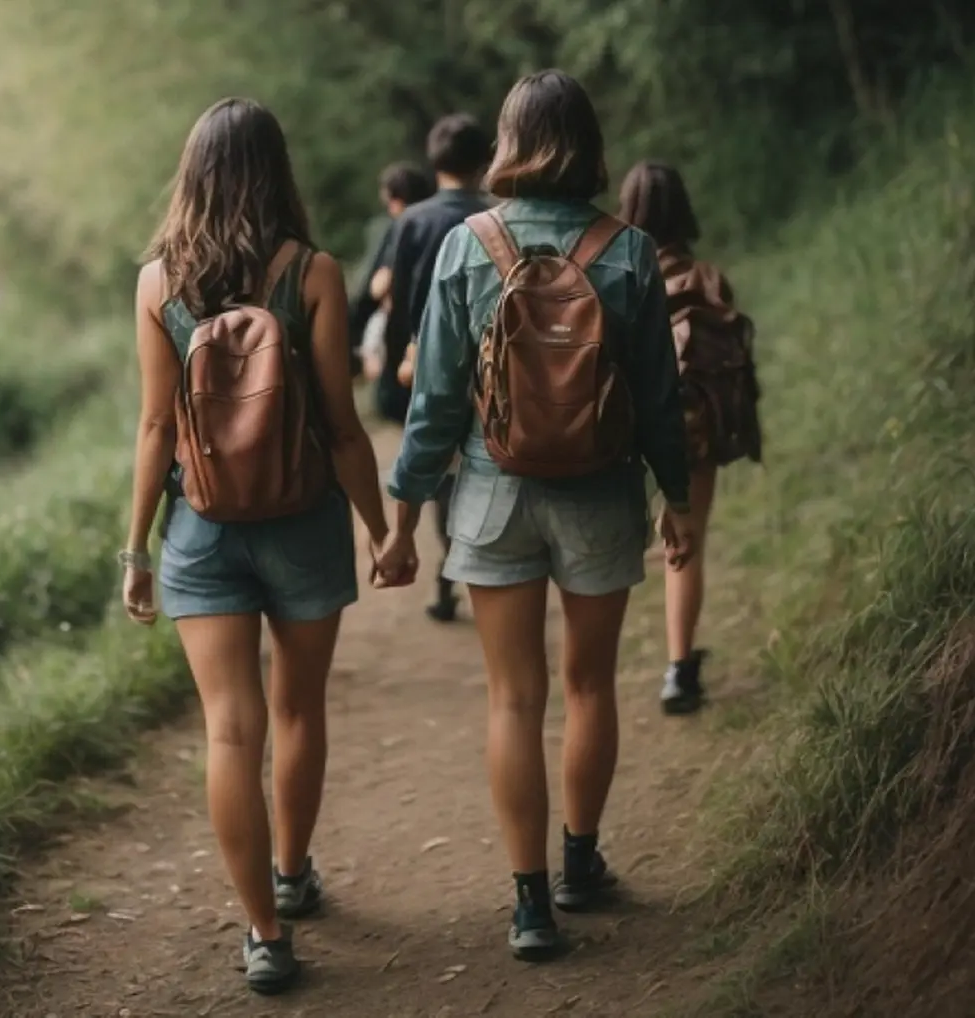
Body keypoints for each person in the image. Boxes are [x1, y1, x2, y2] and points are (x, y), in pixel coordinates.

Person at [380, 71, 695, 960]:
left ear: (507, 145)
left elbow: (436, 403)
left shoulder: (466, 246)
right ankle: (580, 864)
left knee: (515, 699)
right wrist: (677, 498)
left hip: (490, 495)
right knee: (589, 687)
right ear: (590, 143)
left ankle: (528, 908)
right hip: (599, 494)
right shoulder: (628, 250)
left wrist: (405, 515)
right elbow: (660, 401)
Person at [119, 98, 408, 996]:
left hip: (201, 530)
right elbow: (340, 424)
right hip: (304, 521)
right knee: (297, 711)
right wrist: (381, 528)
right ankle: (292, 868)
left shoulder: (157, 281)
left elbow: (157, 425)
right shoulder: (312, 272)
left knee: (229, 730)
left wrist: (135, 550)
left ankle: (265, 931)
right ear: (276, 171)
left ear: (192, 174)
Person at [618, 160, 761, 715]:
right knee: (687, 544)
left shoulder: (617, 274)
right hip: (693, 431)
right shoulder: (708, 279)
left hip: (626, 436)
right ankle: (679, 671)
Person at [378, 112, 492, 622]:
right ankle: (470, 563)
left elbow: (400, 302)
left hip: (427, 362)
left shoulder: (413, 221)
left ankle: (448, 569)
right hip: (492, 365)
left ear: (435, 160)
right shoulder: (495, 219)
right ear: (484, 159)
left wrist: (399, 360)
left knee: (438, 465)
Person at [350, 162, 435, 382]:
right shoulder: (442, 224)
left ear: (395, 199)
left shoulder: (395, 229)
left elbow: (377, 286)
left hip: (400, 324)